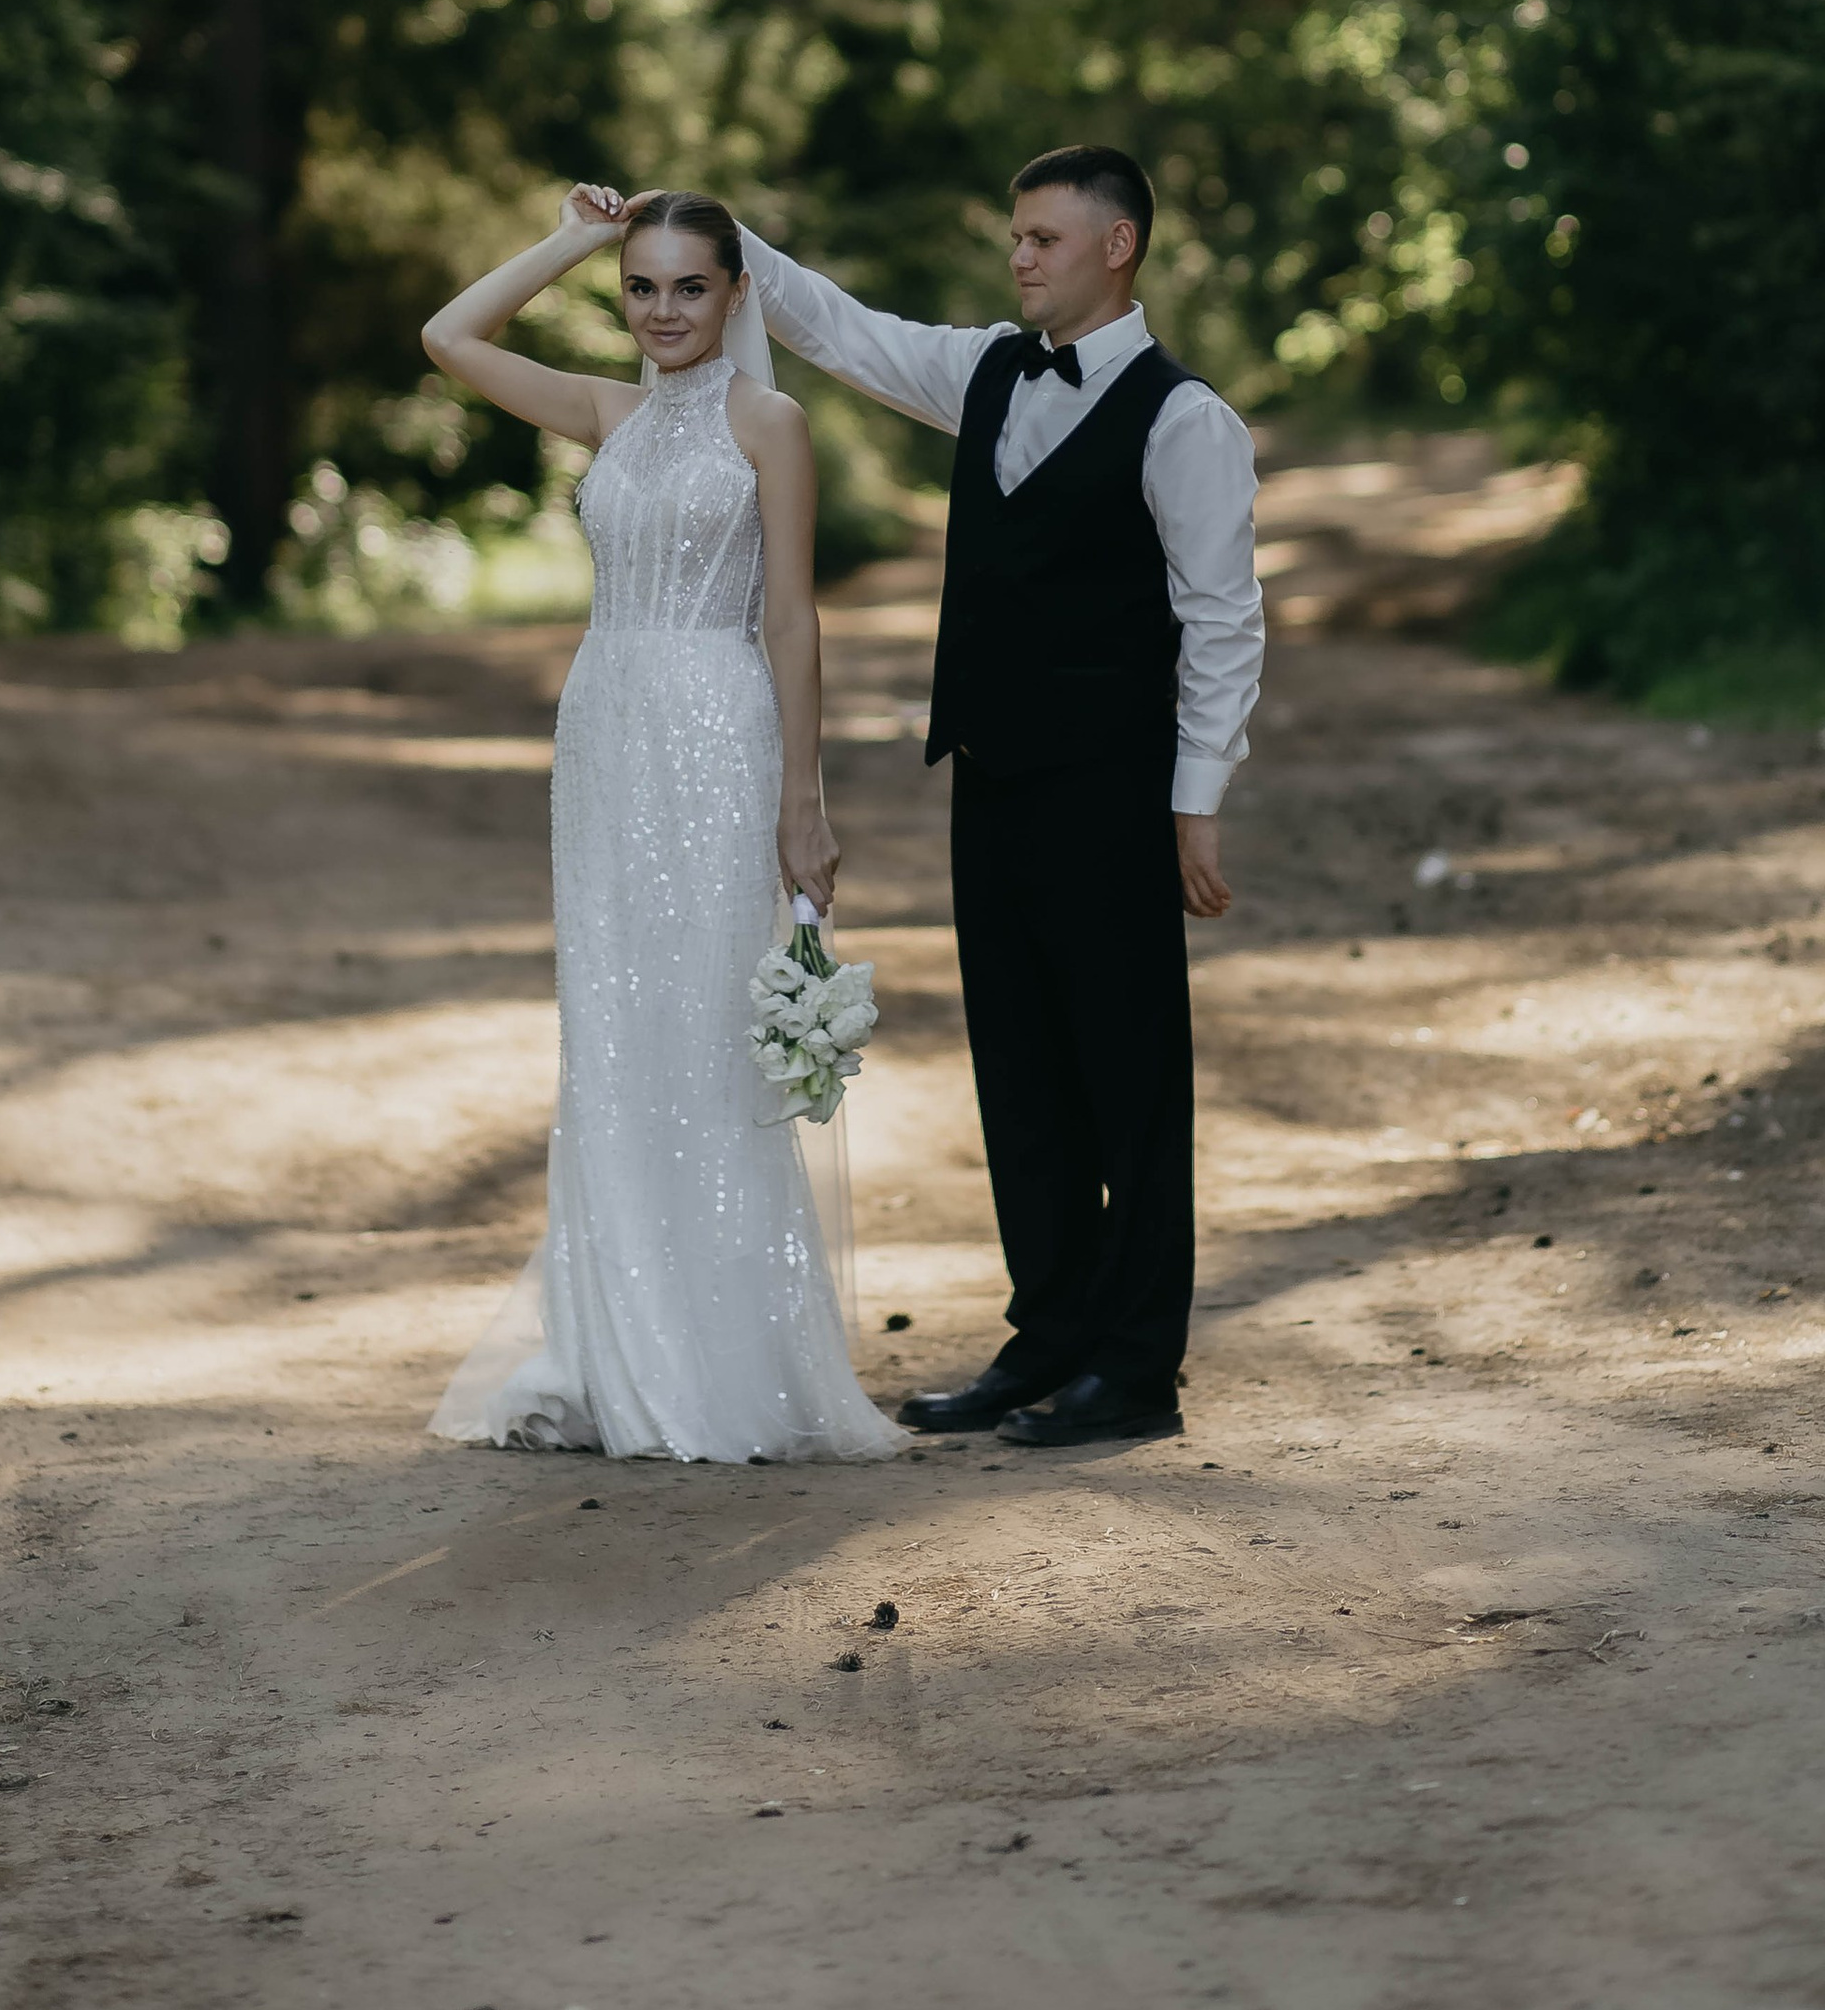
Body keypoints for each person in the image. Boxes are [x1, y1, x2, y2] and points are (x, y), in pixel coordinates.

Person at [736, 146, 1264, 1448]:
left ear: (1118, 244)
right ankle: (1051, 1337)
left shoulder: (1187, 421)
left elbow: (1223, 621)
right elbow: (842, 332)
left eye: (1042, 237)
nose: (1019, 256)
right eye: (1015, 237)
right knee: (1020, 1072)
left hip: (1117, 793)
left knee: (1128, 1079)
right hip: (992, 780)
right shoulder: (985, 373)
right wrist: (712, 235)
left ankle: (1137, 1371)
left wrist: (1197, 800)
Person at [417, 185, 900, 1465]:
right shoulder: (604, 411)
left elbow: (793, 622)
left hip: (716, 727)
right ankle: (614, 1344)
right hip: (605, 735)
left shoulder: (771, 424)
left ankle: (720, 1361)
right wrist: (570, 239)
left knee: (701, 1028)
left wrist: (804, 800)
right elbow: (449, 339)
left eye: (692, 286)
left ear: (738, 295)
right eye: (641, 286)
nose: (665, 310)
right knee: (614, 1027)